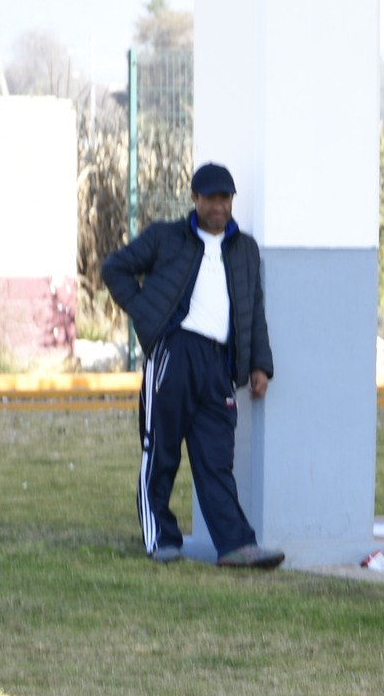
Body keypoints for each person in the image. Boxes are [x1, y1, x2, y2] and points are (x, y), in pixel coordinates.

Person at [100, 163, 284, 570]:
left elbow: (254, 310)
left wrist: (260, 365)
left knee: (216, 458)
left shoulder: (245, 250)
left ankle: (236, 546)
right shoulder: (167, 238)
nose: (219, 207)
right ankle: (160, 538)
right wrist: (149, 316)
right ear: (195, 200)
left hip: (219, 364)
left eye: (225, 199)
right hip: (174, 353)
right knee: (160, 449)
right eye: (211, 199)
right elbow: (115, 269)